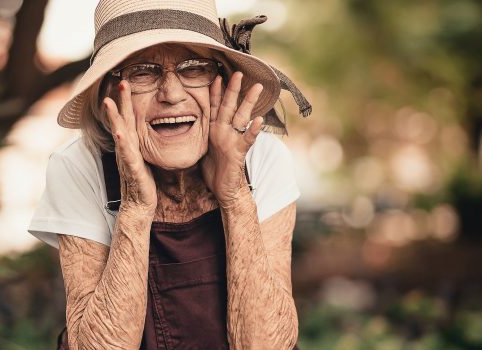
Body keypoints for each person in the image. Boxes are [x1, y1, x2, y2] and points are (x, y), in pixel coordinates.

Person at [28, 0, 311, 349]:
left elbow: (267, 345)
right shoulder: (79, 167)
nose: (173, 95)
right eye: (143, 72)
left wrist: (236, 197)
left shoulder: (263, 157)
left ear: (221, 83)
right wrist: (134, 206)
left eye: (194, 68)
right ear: (108, 97)